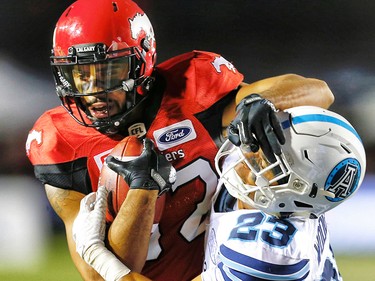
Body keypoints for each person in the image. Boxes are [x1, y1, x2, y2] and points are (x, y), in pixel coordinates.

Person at [25, 0, 334, 280]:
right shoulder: (59, 140)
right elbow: (95, 276)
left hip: (229, 266)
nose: (94, 90)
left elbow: (317, 91)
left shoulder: (194, 84)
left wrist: (263, 101)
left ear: (141, 60)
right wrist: (142, 192)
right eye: (81, 74)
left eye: (109, 71)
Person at [72, 106, 366, 281]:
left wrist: (97, 255)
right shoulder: (288, 198)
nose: (247, 154)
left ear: (296, 189)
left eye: (267, 159)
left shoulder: (269, 254)